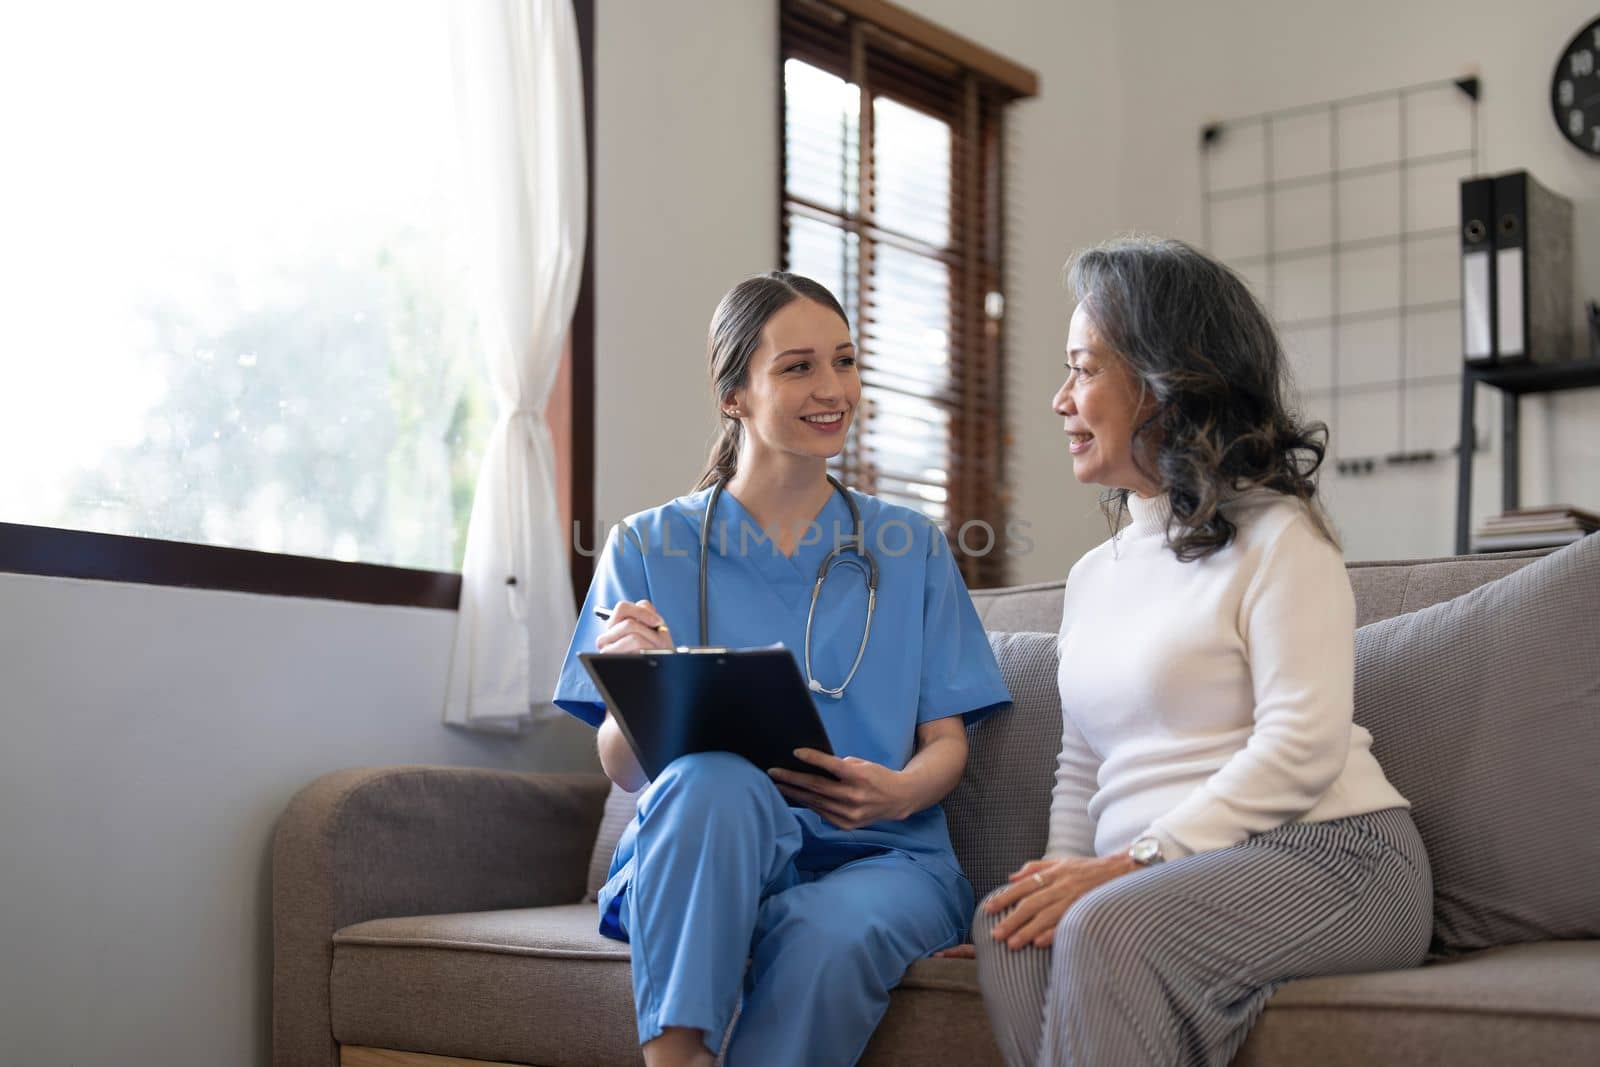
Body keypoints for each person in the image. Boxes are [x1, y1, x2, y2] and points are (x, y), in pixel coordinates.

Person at [970, 236, 1432, 1066]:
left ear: (1166, 385)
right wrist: (1058, 876)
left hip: (1333, 853)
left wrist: (1131, 864)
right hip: (1162, 876)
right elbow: (1085, 764)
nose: (1059, 399)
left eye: (1083, 369)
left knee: (1111, 923)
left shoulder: (1281, 539)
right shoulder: (1093, 576)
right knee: (1011, 930)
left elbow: (1304, 746)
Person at [553, 271, 1010, 1067]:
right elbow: (626, 771)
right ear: (735, 395)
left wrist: (895, 791)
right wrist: (636, 682)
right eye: (798, 367)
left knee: (823, 933)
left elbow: (947, 740)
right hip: (711, 845)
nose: (832, 388)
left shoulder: (911, 548)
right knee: (705, 781)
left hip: (885, 854)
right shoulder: (645, 546)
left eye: (844, 360)